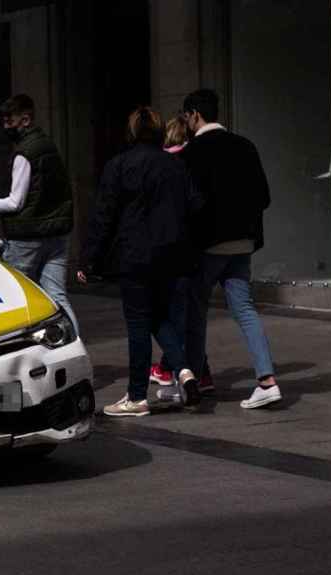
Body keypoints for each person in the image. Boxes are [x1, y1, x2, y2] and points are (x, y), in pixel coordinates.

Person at [78, 107, 202, 417]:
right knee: (159, 317)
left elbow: (103, 216)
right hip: (173, 255)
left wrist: (88, 259)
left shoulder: (119, 166)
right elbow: (195, 206)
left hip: (135, 256)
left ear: (132, 132)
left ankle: (136, 396)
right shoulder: (176, 165)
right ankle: (184, 370)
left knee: (138, 324)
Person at [180, 88, 281, 410]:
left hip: (209, 246)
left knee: (195, 311)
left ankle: (197, 380)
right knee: (245, 310)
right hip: (243, 243)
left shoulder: (191, 153)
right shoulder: (245, 146)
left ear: (194, 114)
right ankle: (267, 381)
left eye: (186, 117)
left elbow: (188, 204)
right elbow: (264, 196)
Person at [0, 94, 78, 331]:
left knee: (15, 295)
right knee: (57, 296)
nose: (6, 125)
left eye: (10, 120)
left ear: (26, 120)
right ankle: (73, 343)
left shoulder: (24, 153)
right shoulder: (49, 145)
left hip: (28, 235)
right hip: (58, 233)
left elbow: (15, 202)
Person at [149, 115, 216, 396]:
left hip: (162, 252)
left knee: (160, 314)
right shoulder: (191, 163)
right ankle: (196, 370)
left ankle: (174, 369)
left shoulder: (158, 166)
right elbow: (199, 205)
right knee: (186, 314)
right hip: (190, 250)